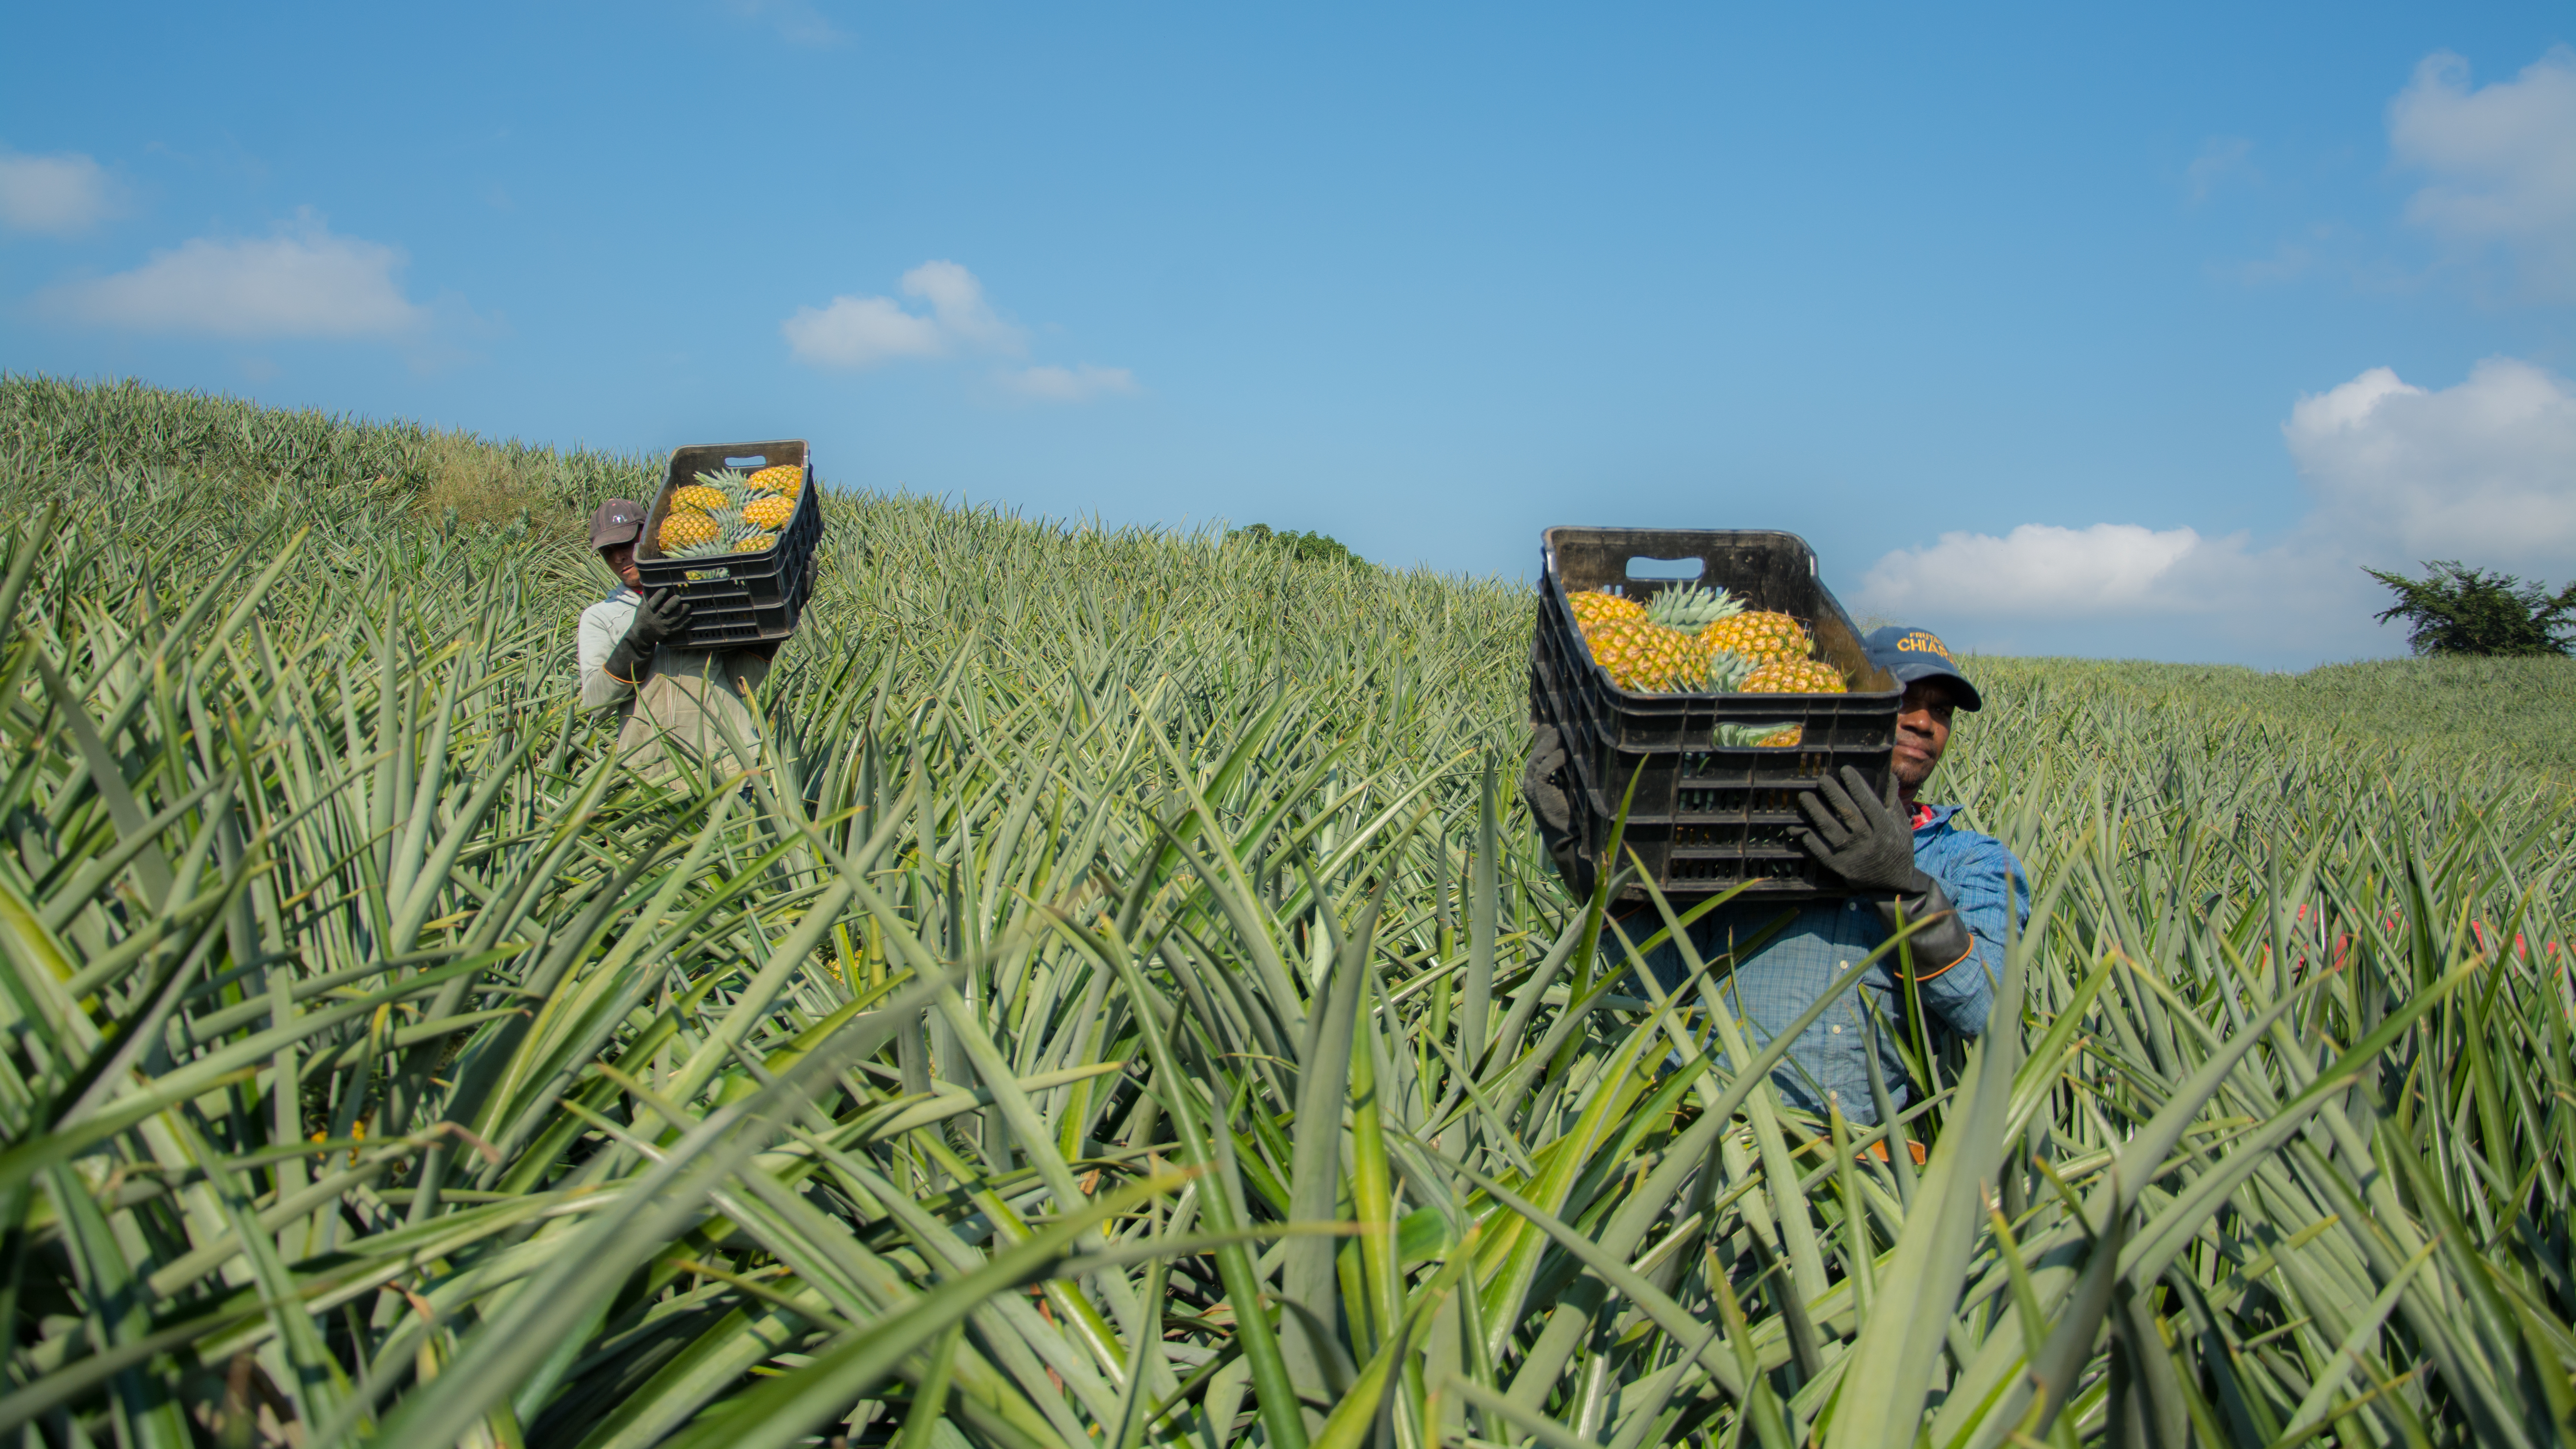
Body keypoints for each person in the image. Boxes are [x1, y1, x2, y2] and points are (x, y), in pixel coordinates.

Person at [1521, 625, 2027, 1127]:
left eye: (1941, 711)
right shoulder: (1747, 828)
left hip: (1859, 1165)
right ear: (1850, 700)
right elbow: (1661, 985)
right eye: (1904, 699)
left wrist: (1903, 889)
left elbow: (1992, 1017)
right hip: (1713, 1144)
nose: (1922, 722)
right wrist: (1593, 872)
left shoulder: (1972, 861)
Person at [577, 498, 775, 781]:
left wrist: (772, 630)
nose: (618, 556)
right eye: (608, 552)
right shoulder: (600, 617)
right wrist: (639, 639)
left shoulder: (702, 591)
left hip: (731, 766)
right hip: (650, 778)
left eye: (625, 543)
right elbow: (597, 704)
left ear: (649, 536)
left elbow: (741, 682)